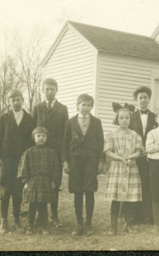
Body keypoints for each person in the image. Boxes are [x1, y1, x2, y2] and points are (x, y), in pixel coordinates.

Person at [62, 94, 105, 236]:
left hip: (91, 160)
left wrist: (101, 161)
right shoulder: (70, 122)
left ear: (92, 107)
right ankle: (79, 224)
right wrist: (66, 161)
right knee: (78, 191)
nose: (86, 108)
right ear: (77, 105)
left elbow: (100, 143)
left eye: (89, 105)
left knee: (89, 190)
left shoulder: (97, 122)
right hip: (75, 160)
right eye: (83, 105)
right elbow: (64, 143)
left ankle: (89, 224)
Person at [0, 89, 35, 234]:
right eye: (12, 100)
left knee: (18, 191)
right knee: (5, 190)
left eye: (18, 99)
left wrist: (29, 158)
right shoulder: (4, 118)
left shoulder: (29, 118)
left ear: (22, 100)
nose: (16, 103)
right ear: (9, 101)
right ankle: (3, 220)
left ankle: (17, 219)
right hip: (6, 159)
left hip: (22, 159)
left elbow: (31, 140)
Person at [32, 78, 69, 227]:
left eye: (52, 89)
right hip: (39, 152)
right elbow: (33, 130)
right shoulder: (37, 108)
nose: (49, 92)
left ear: (56, 90)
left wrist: (63, 155)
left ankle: (54, 216)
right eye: (46, 89)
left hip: (55, 153)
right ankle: (40, 215)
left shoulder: (62, 108)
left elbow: (66, 133)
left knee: (54, 184)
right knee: (40, 183)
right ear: (43, 90)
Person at [104, 103, 143, 235]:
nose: (125, 120)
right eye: (122, 118)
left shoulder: (135, 135)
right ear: (117, 119)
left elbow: (139, 151)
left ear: (130, 119)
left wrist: (131, 157)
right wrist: (120, 158)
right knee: (115, 198)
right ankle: (113, 226)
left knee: (129, 198)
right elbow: (108, 152)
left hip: (131, 167)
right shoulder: (111, 135)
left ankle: (128, 224)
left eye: (127, 118)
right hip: (117, 168)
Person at [18, 127, 60, 235]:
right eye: (39, 136)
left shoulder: (51, 152)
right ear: (34, 138)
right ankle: (30, 227)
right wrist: (26, 182)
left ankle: (44, 226)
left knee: (43, 205)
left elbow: (56, 168)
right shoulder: (29, 152)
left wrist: (54, 181)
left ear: (47, 138)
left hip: (46, 181)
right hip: (33, 181)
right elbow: (24, 167)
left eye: (44, 136)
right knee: (33, 204)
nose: (41, 138)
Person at [129, 86, 158, 224]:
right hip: (136, 155)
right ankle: (136, 215)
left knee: (149, 183)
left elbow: (158, 135)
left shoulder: (155, 116)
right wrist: (138, 149)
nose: (143, 100)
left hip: (150, 155)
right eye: (140, 98)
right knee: (136, 184)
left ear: (149, 99)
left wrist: (149, 148)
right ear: (136, 99)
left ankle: (150, 215)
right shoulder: (131, 116)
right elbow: (128, 135)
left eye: (145, 97)